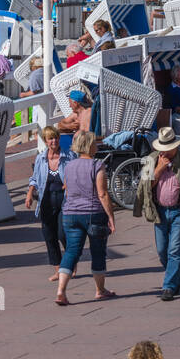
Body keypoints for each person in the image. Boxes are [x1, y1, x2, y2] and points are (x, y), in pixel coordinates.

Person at [133, 126, 180, 300]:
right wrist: (159, 169)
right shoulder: (151, 160)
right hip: (159, 211)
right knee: (162, 251)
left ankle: (168, 287)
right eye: (162, 148)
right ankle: (177, 278)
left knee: (174, 250)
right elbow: (144, 186)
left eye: (168, 148)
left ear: (175, 146)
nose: (164, 151)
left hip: (179, 212)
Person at [55, 130, 116, 305]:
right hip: (93, 213)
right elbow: (102, 193)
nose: (97, 145)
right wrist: (111, 216)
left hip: (70, 214)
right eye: (94, 142)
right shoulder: (97, 165)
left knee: (72, 251)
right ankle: (100, 290)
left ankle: (61, 291)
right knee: (97, 251)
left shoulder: (69, 166)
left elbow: (66, 187)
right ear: (89, 146)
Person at [25, 127, 69, 282]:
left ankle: (70, 263)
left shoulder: (69, 156)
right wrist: (30, 194)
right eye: (50, 139)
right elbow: (35, 178)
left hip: (64, 201)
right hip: (46, 200)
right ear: (45, 141)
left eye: (56, 138)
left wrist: (69, 185)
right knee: (49, 236)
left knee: (62, 234)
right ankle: (59, 269)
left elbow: (75, 174)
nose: (54, 141)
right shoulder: (41, 159)